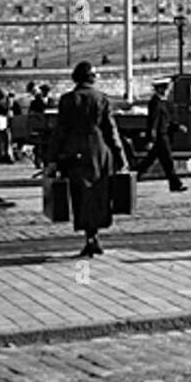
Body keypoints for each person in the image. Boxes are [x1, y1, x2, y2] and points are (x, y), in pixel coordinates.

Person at [48, 61, 127, 257]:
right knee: (99, 195)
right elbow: (111, 131)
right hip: (99, 152)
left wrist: (52, 158)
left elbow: (60, 131)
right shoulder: (102, 99)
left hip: (74, 153)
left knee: (80, 196)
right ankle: (94, 237)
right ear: (91, 78)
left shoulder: (67, 100)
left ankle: (88, 237)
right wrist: (121, 157)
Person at [135, 78, 186, 192]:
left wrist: (177, 127)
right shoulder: (155, 103)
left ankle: (133, 176)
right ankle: (175, 184)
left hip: (163, 135)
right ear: (161, 89)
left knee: (149, 162)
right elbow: (153, 122)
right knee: (167, 161)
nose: (168, 91)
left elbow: (165, 120)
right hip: (160, 137)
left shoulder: (161, 102)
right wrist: (151, 139)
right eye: (167, 89)